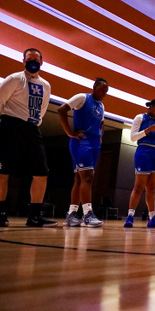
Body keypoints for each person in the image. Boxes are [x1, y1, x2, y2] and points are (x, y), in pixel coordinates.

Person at [0, 48, 56, 227]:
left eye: (36, 59)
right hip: (9, 126)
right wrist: (3, 123)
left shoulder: (46, 85)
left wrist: (33, 124)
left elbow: (42, 109)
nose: (32, 62)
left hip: (32, 129)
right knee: (1, 171)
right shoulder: (14, 79)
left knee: (42, 173)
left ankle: (34, 217)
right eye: (29, 59)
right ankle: (0, 214)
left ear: (41, 62)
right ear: (23, 61)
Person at [58, 78, 109, 227]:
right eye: (101, 90)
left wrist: (100, 136)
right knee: (88, 177)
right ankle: (88, 214)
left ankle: (71, 214)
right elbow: (62, 110)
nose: (103, 93)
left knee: (80, 179)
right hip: (81, 141)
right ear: (94, 87)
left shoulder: (101, 105)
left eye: (106, 92)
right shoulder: (82, 97)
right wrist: (69, 132)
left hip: (94, 143)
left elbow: (102, 123)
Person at [124, 99, 155, 228]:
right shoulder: (140, 117)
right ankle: (130, 216)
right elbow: (132, 137)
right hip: (144, 151)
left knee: (151, 188)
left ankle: (152, 218)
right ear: (150, 107)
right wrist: (147, 131)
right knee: (139, 186)